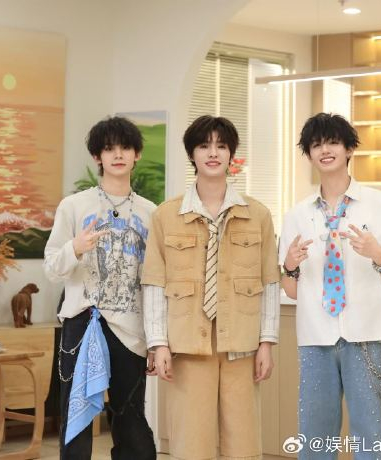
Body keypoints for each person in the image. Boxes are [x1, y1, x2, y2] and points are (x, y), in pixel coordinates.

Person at [142, 115, 280, 460]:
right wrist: (158, 343)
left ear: (232, 153)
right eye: (204, 146)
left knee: (243, 443)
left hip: (242, 345)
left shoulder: (258, 214)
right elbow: (154, 284)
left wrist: (267, 343)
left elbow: (269, 283)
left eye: (221, 146)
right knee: (191, 442)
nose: (213, 153)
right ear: (192, 154)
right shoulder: (166, 216)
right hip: (187, 344)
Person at [279, 112, 381, 459]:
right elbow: (291, 289)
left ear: (349, 149)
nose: (325, 150)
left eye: (333, 142)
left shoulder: (380, 204)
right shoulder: (297, 215)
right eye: (316, 145)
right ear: (308, 154)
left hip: (368, 335)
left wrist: (377, 253)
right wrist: (290, 266)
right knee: (315, 436)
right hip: (316, 336)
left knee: (371, 434)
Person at [44, 116, 157, 459]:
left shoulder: (152, 213)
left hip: (131, 328)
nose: (117, 155)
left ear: (137, 154)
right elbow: (52, 267)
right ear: (97, 156)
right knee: (76, 419)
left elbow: (154, 282)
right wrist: (76, 248)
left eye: (125, 148)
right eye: (109, 149)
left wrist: (157, 338)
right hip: (83, 322)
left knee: (130, 418)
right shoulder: (74, 206)